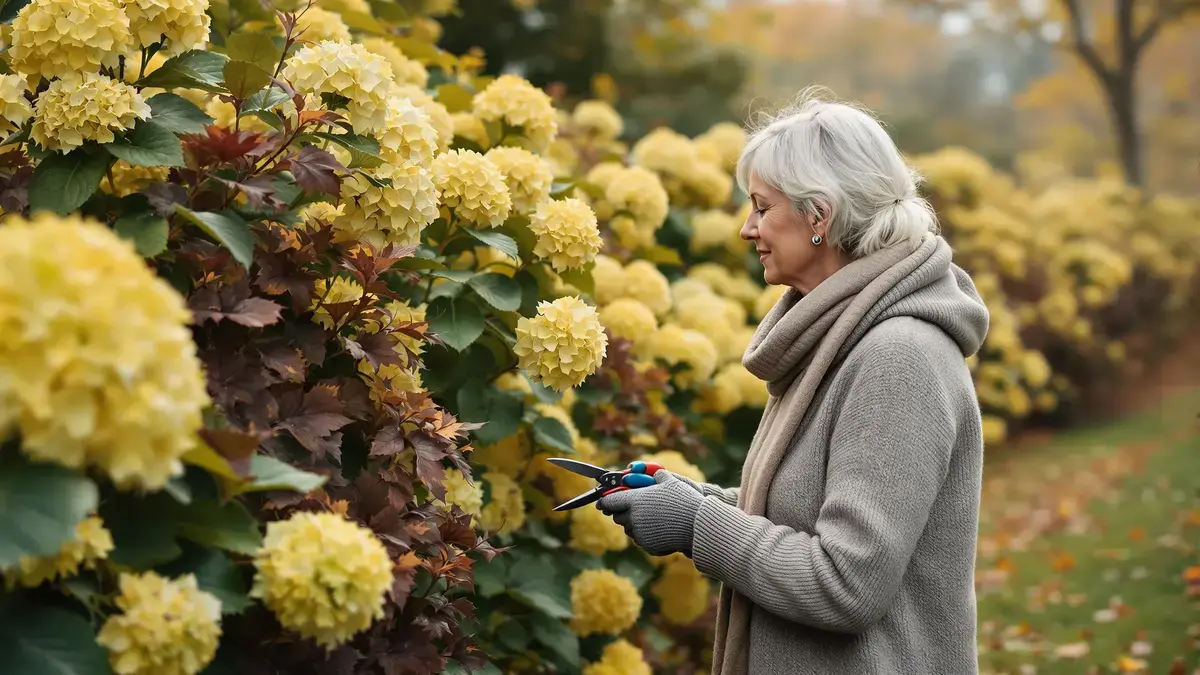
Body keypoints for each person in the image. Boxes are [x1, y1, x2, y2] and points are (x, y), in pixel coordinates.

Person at [598, 87, 990, 675]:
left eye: (760, 206)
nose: (745, 229)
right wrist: (693, 501)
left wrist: (700, 524)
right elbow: (811, 519)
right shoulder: (836, 337)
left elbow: (846, 583)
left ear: (819, 216)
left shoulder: (897, 357)